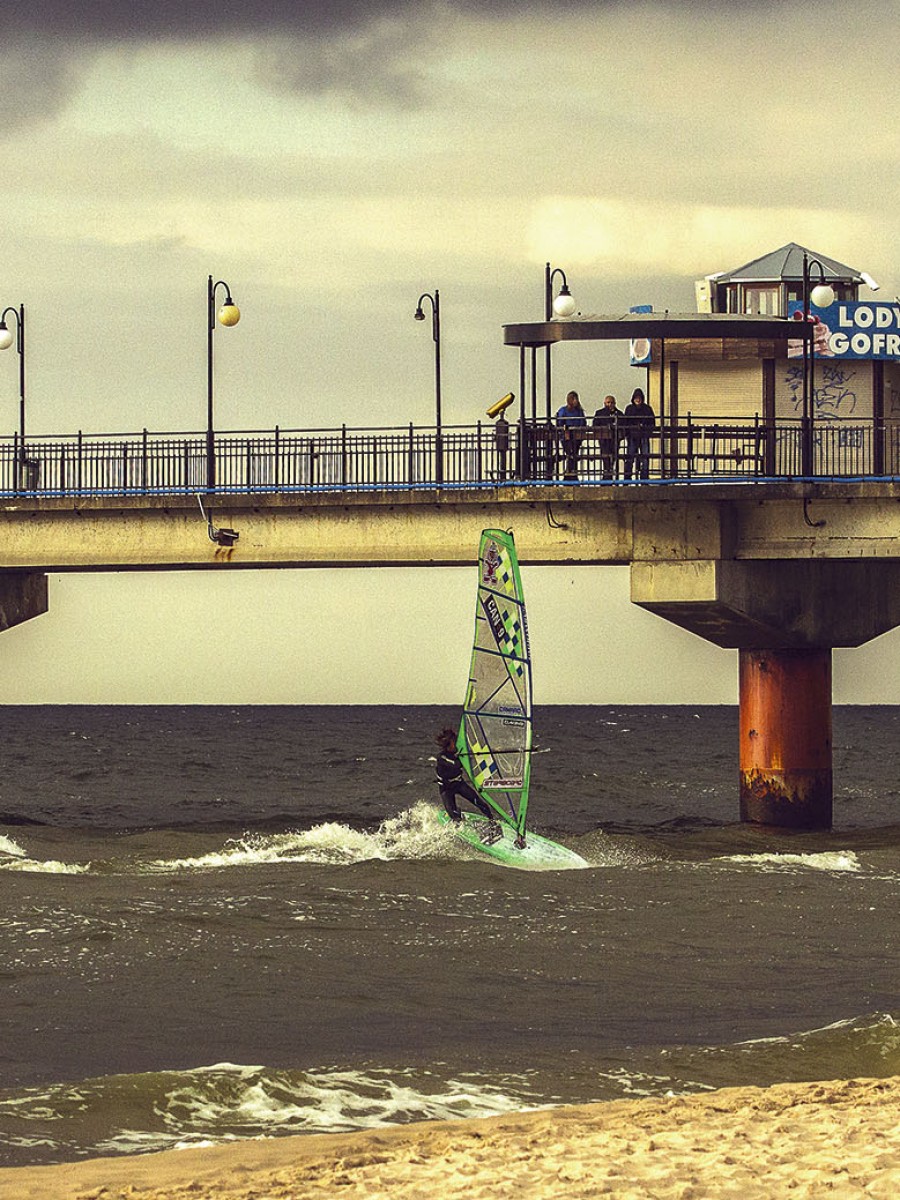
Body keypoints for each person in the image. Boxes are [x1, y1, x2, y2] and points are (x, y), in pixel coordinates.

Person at [434, 727, 500, 838]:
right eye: (453, 744)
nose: (455, 746)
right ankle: (456, 815)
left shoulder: (459, 752)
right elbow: (456, 764)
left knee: (480, 803)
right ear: (447, 745)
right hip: (446, 789)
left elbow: (475, 753)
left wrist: (492, 751)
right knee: (455, 818)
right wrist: (462, 757)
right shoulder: (441, 757)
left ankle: (492, 821)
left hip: (459, 784)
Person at [622, 387, 656, 480]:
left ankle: (643, 478)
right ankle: (628, 477)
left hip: (643, 436)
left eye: (639, 398)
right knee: (630, 457)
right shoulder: (631, 409)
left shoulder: (646, 409)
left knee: (645, 457)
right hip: (633, 436)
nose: (638, 400)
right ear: (633, 399)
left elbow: (652, 422)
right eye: (636, 398)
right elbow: (626, 422)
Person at [555, 390, 587, 480]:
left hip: (577, 437)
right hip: (566, 437)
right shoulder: (563, 410)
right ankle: (571, 474)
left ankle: (570, 474)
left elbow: (583, 422)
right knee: (570, 454)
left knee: (573, 454)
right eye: (574, 399)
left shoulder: (579, 411)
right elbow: (560, 422)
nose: (576, 401)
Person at [592, 394, 622, 480]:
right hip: (604, 440)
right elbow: (595, 425)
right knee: (605, 458)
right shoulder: (600, 413)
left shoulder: (619, 414)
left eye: (612, 402)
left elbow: (624, 424)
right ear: (604, 403)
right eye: (608, 402)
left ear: (615, 403)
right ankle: (607, 476)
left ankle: (608, 476)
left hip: (615, 440)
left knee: (613, 458)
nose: (610, 404)